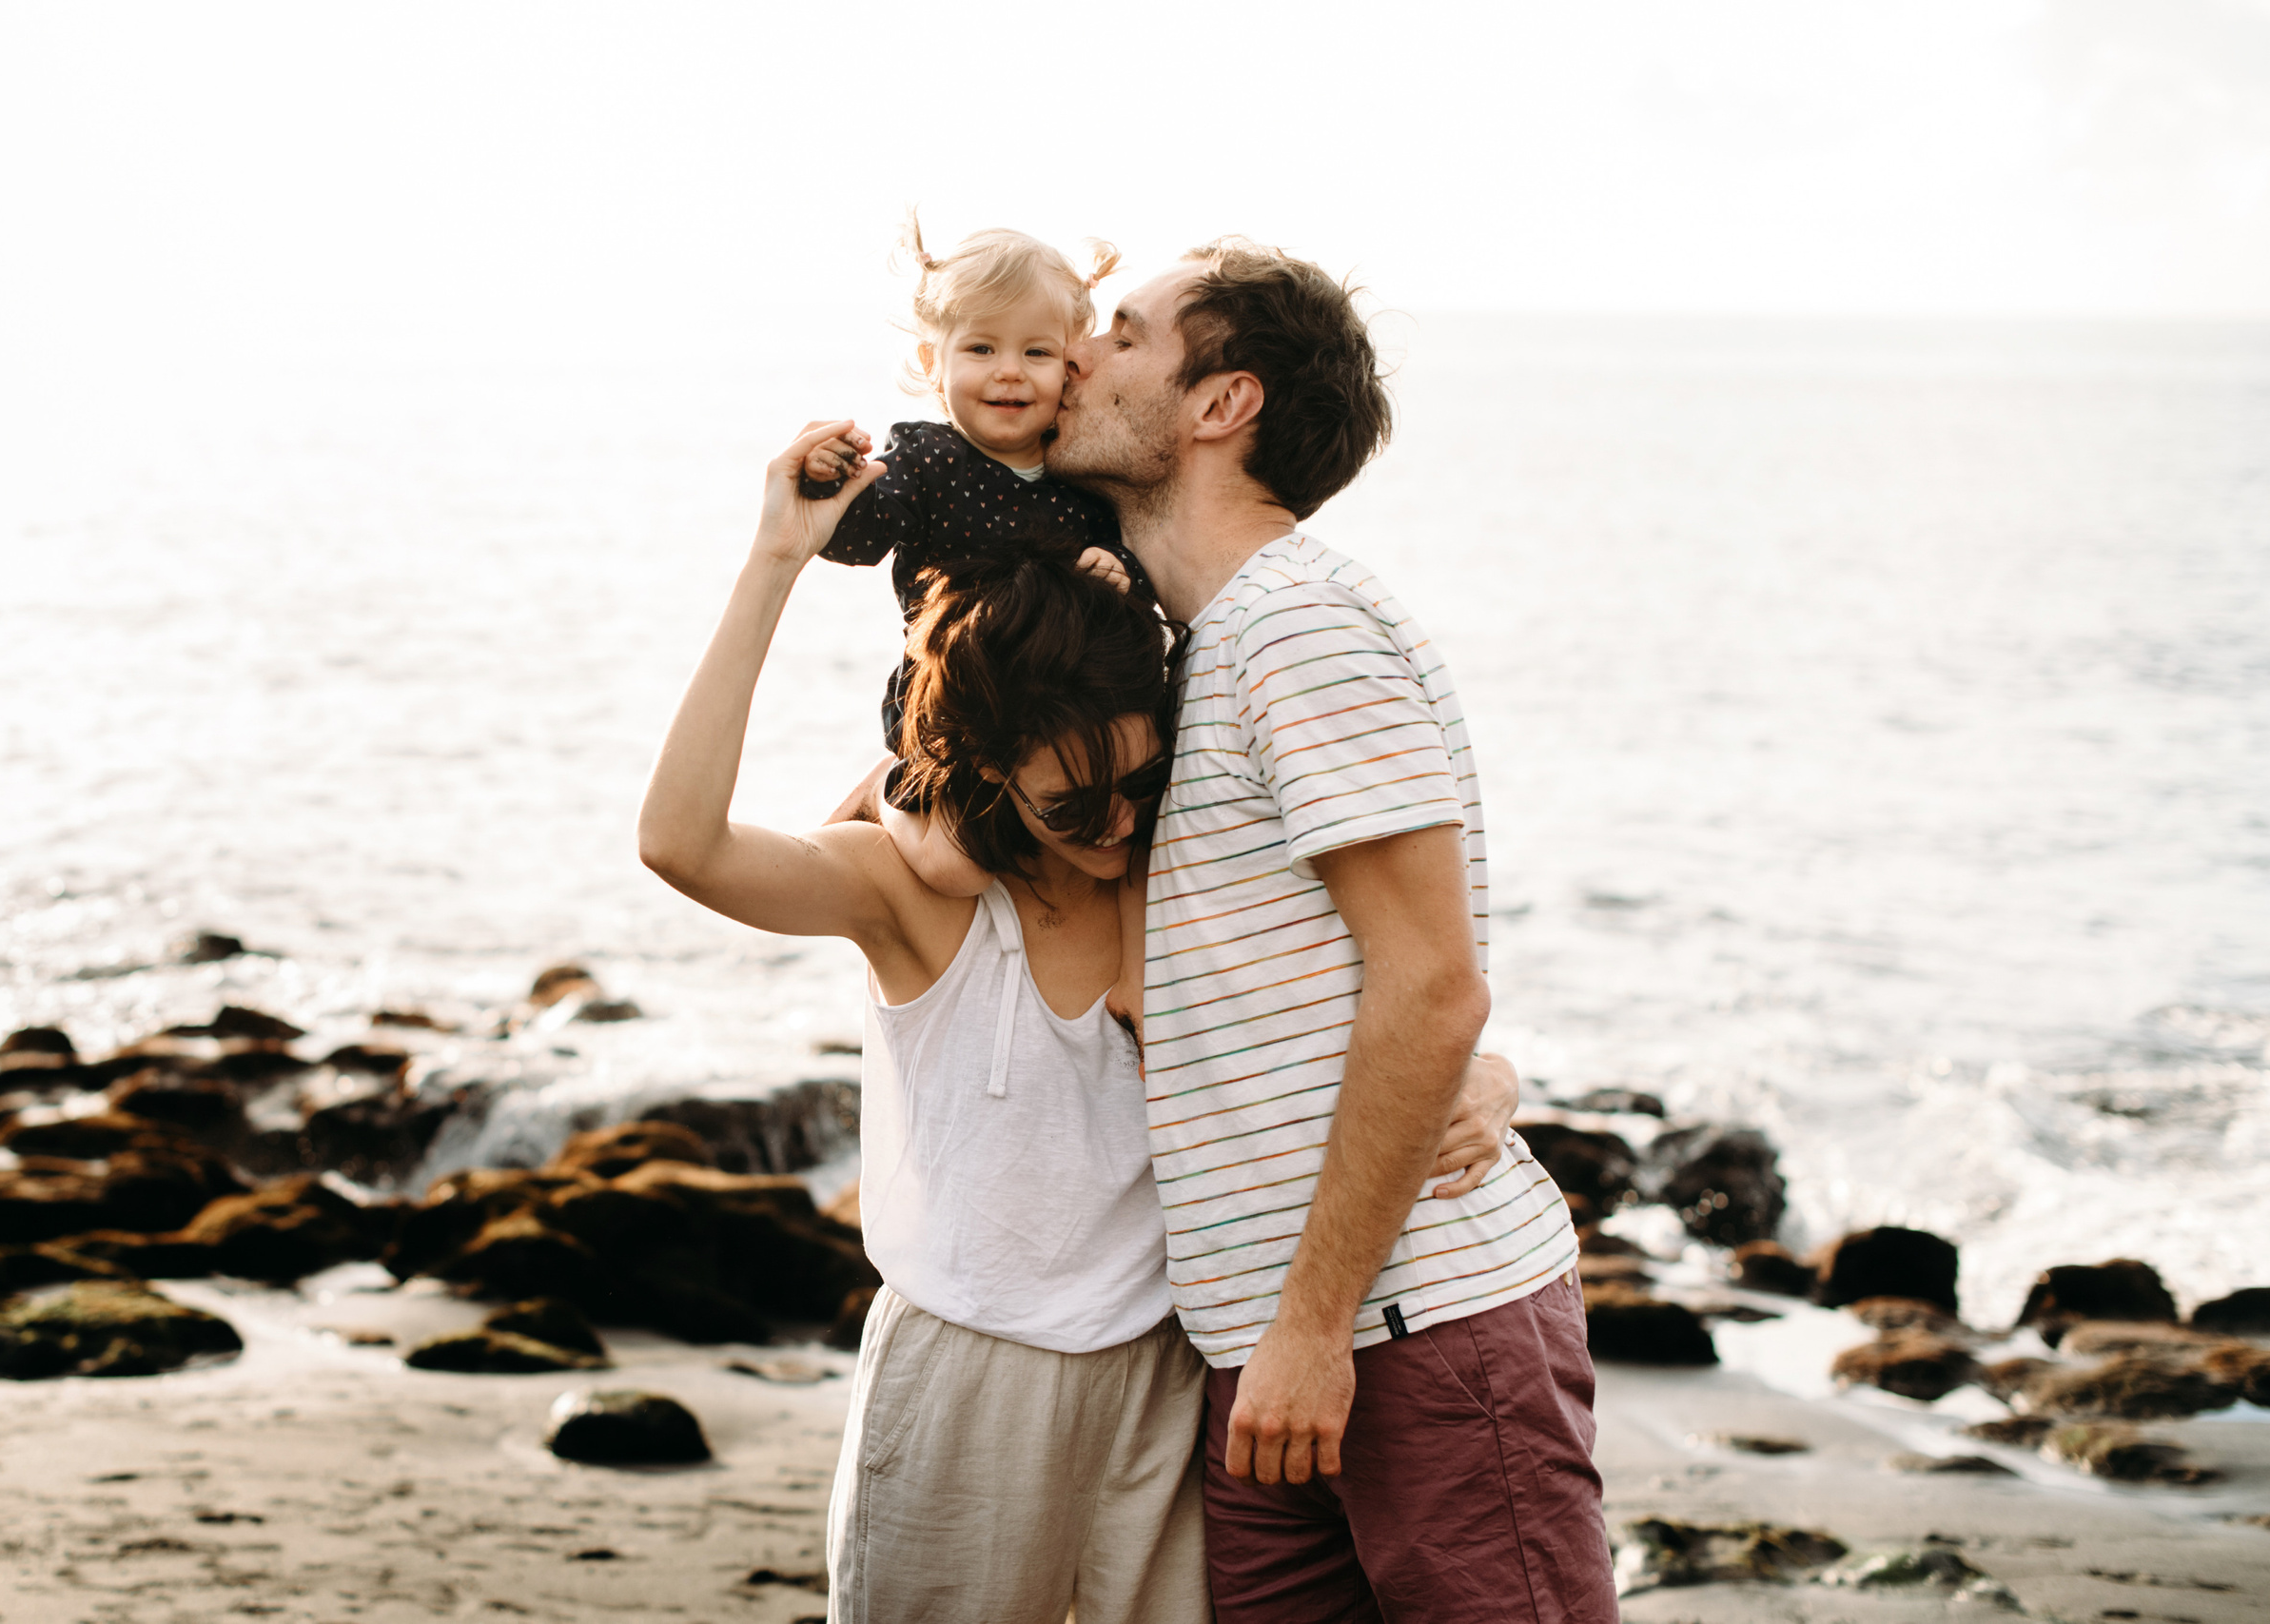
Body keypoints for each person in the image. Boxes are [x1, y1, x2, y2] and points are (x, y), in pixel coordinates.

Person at [636, 422, 1523, 1624]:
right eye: (1068, 803)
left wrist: (1488, 1076)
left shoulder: (1185, 888)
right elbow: (680, 845)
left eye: (1140, 785)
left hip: (1169, 1380)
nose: (1114, 825)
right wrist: (773, 564)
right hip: (963, 1379)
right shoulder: (912, 898)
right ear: (989, 773)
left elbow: (1382, 1003)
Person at [1046, 244, 1618, 1621]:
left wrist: (1311, 1333)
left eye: (1122, 335)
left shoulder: (1301, 627)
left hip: (1408, 1329)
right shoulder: (1197, 643)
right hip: (1272, 1346)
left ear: (1218, 402)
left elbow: (1432, 987)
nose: (1075, 356)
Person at [800, 213, 1143, 897]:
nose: (1009, 373)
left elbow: (1133, 559)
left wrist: (1119, 571)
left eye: (1037, 354)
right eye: (982, 349)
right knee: (956, 870)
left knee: (1120, 842)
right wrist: (826, 477)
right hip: (954, 705)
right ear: (934, 363)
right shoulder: (927, 461)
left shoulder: (1082, 474)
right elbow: (855, 538)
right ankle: (887, 799)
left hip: (1060, 707)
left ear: (1070, 365)